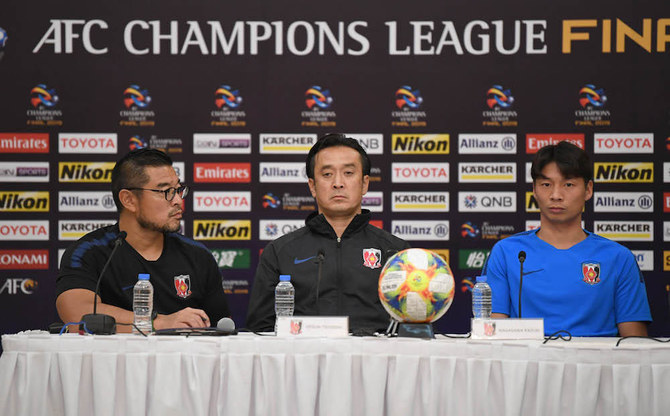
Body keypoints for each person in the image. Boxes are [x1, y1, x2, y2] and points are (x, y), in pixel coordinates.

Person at [484, 141, 651, 337]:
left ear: (588, 190)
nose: (556, 195)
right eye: (546, 184)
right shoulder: (506, 252)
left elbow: (635, 346)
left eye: (568, 184)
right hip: (526, 365)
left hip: (596, 366)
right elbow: (492, 337)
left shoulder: (618, 258)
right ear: (534, 190)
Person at [246, 133, 410, 333]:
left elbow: (411, 328)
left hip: (376, 362)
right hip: (303, 361)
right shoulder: (280, 252)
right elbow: (260, 329)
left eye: (348, 173)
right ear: (312, 186)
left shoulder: (395, 252)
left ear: (365, 183)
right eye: (327, 174)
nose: (338, 183)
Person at [56, 148, 230, 332]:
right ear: (128, 200)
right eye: (166, 191)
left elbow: (220, 329)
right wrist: (159, 323)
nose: (178, 200)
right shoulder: (89, 252)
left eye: (178, 190)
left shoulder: (198, 255)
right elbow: (78, 315)